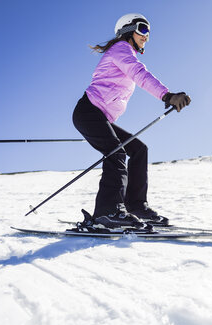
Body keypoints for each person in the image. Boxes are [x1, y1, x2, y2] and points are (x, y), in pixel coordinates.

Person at [73, 13, 191, 230]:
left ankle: (135, 206)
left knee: (138, 149)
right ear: (128, 30)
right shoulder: (121, 49)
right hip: (88, 112)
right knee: (117, 152)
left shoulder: (123, 53)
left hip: (98, 117)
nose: (146, 36)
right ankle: (107, 212)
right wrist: (167, 96)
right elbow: (140, 74)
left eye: (149, 32)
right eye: (142, 29)